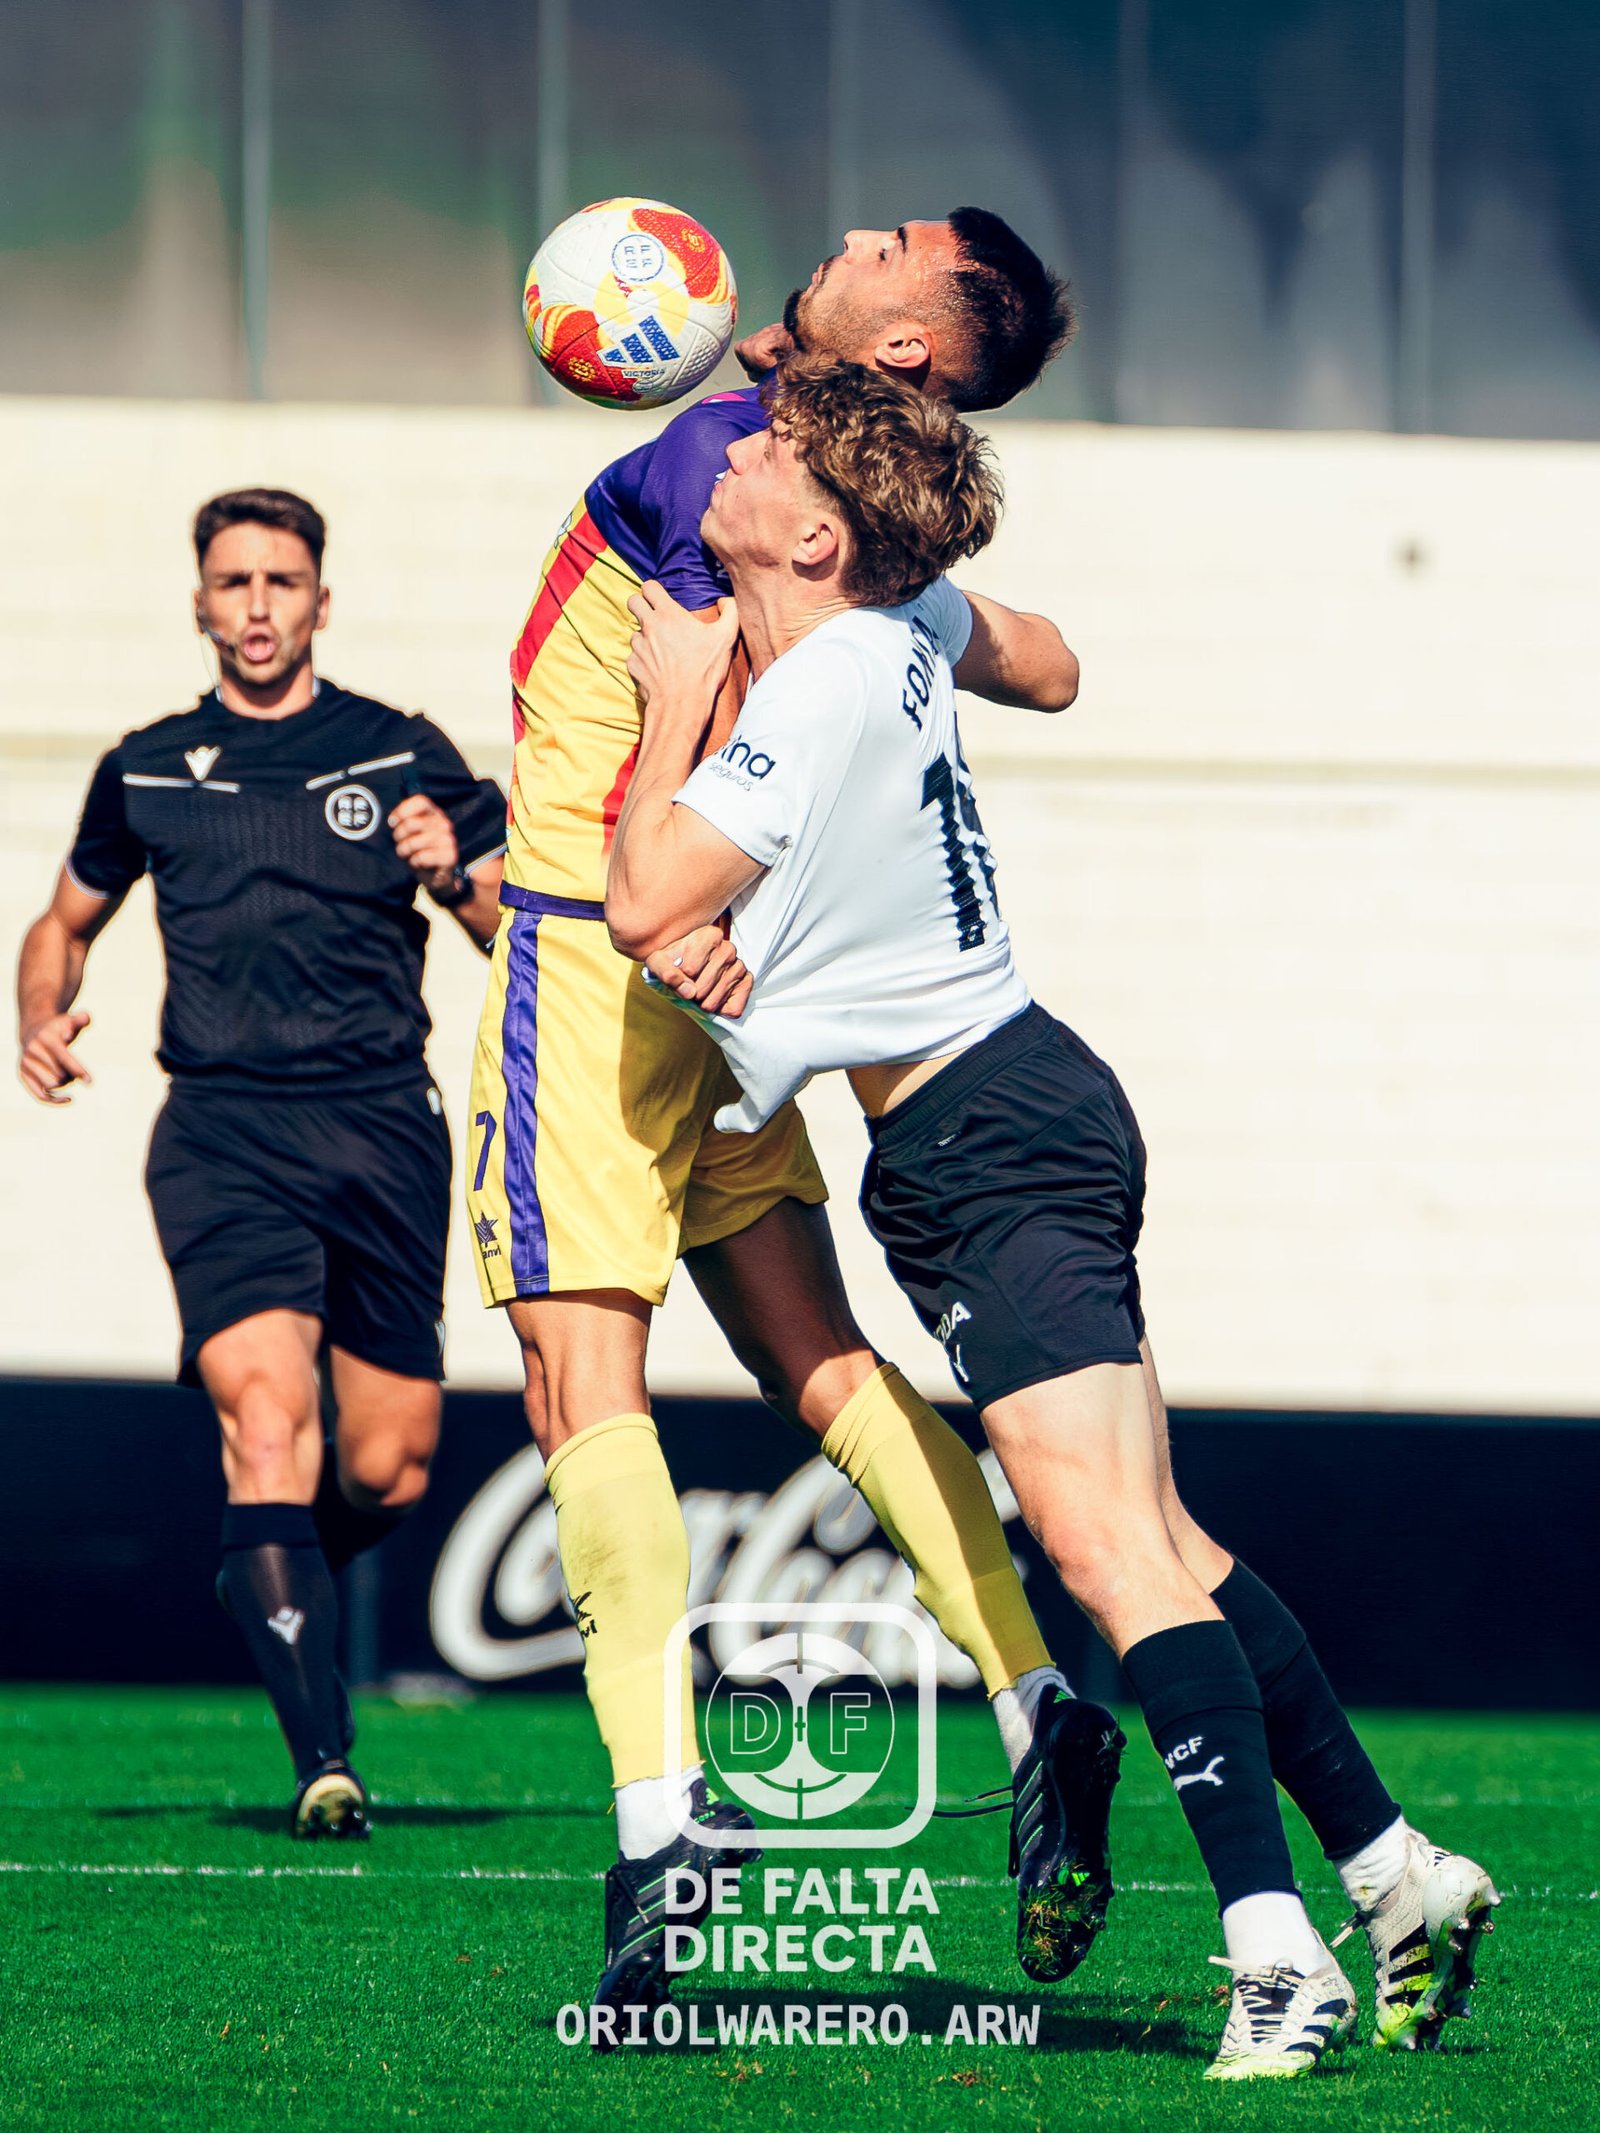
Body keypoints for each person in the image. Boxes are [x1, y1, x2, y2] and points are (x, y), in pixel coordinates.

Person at [604, 355, 1501, 2080]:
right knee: (1168, 1541)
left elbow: (646, 886)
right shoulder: (888, 631)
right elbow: (1056, 664)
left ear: (810, 531)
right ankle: (1394, 1876)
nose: (739, 453)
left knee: (1103, 1555)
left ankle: (1275, 1957)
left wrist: (670, 704)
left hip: (988, 1138)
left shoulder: (813, 674)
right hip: (1008, 1106)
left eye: (773, 449)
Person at [469, 209, 1122, 2023]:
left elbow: (716, 698)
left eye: (888, 246)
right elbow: (1053, 662)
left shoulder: (726, 466)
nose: (846, 232)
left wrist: (681, 928)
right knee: (819, 1356)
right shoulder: (867, 507)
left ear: (907, 346)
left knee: (576, 1374)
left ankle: (663, 1831)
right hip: (715, 977)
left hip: (598, 952)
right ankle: (1030, 1693)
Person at [15, 487, 508, 1838]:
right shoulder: (149, 764)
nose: (255, 605)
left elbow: (515, 939)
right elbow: (60, 922)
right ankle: (324, 1759)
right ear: (200, 604)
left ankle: (265, 1568)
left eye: (280, 581)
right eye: (232, 582)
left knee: (390, 1466)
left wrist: (457, 870)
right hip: (223, 1132)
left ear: (319, 603)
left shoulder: (400, 750)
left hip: (382, 1131)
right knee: (265, 1419)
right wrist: (37, 1012)